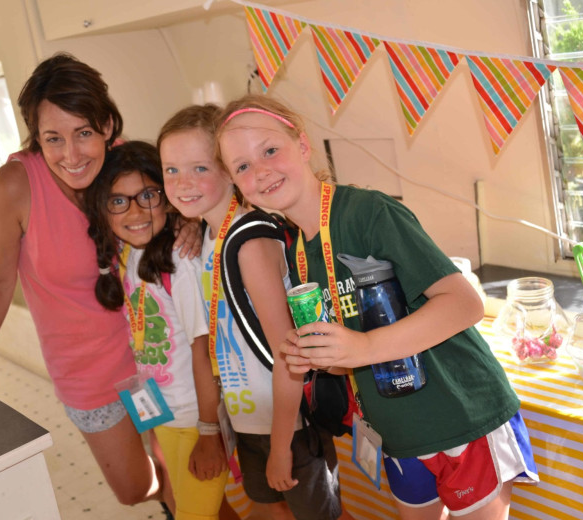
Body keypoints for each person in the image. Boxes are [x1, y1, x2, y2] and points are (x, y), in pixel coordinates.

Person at [214, 94, 540, 520]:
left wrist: (363, 348)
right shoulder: (296, 253)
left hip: (462, 415)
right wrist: (324, 356)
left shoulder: (368, 212)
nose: (260, 170)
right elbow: (347, 354)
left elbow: (464, 304)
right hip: (398, 431)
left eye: (270, 150)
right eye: (242, 166)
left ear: (304, 145)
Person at [0, 53, 198, 514]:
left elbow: (175, 203)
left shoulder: (123, 166)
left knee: (180, 472)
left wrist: (190, 222)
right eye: (54, 138)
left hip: (156, 360)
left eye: (84, 134)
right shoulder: (15, 185)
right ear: (36, 136)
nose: (72, 156)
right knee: (135, 487)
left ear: (108, 125)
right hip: (88, 375)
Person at [158, 104, 350, 520]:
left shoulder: (248, 239)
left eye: (199, 169)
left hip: (289, 422)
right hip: (250, 419)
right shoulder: (204, 240)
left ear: (228, 171)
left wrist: (281, 446)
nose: (183, 183)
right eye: (171, 170)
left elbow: (289, 352)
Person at [84, 140, 234, 520]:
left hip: (195, 421)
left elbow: (203, 351)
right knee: (200, 509)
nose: (134, 211)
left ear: (166, 198)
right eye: (118, 201)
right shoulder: (127, 251)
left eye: (147, 195)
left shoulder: (177, 263)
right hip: (162, 415)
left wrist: (209, 433)